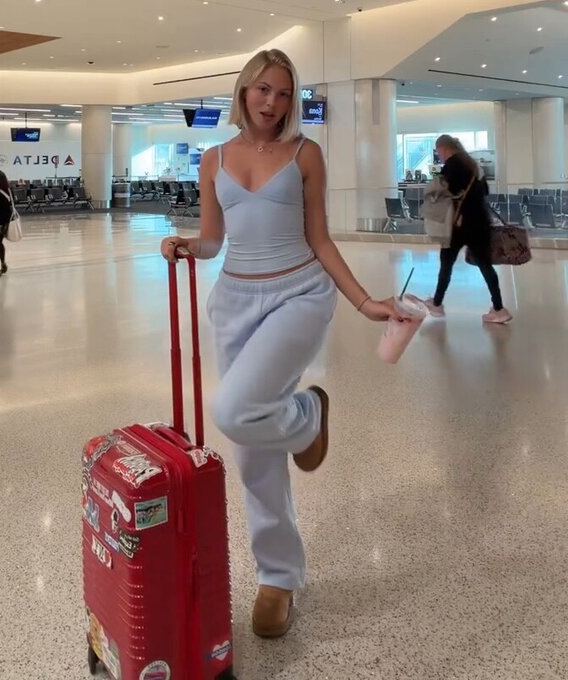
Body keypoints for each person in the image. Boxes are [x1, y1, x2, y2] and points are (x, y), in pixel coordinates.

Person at [161, 49, 410, 639]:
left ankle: (306, 417)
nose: (271, 103)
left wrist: (364, 302)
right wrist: (187, 245)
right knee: (252, 446)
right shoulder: (215, 158)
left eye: (282, 92)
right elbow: (216, 240)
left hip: (299, 293)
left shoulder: (305, 154)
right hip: (234, 301)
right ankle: (278, 576)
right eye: (262, 90)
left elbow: (319, 238)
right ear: (244, 91)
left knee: (235, 411)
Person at [425, 135, 511, 324]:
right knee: (485, 266)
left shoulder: (451, 166)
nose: (439, 156)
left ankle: (437, 304)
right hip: (480, 222)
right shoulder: (473, 165)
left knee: (446, 264)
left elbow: (440, 193)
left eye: (439, 152)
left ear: (443, 149)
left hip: (458, 225)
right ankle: (499, 308)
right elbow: (485, 190)